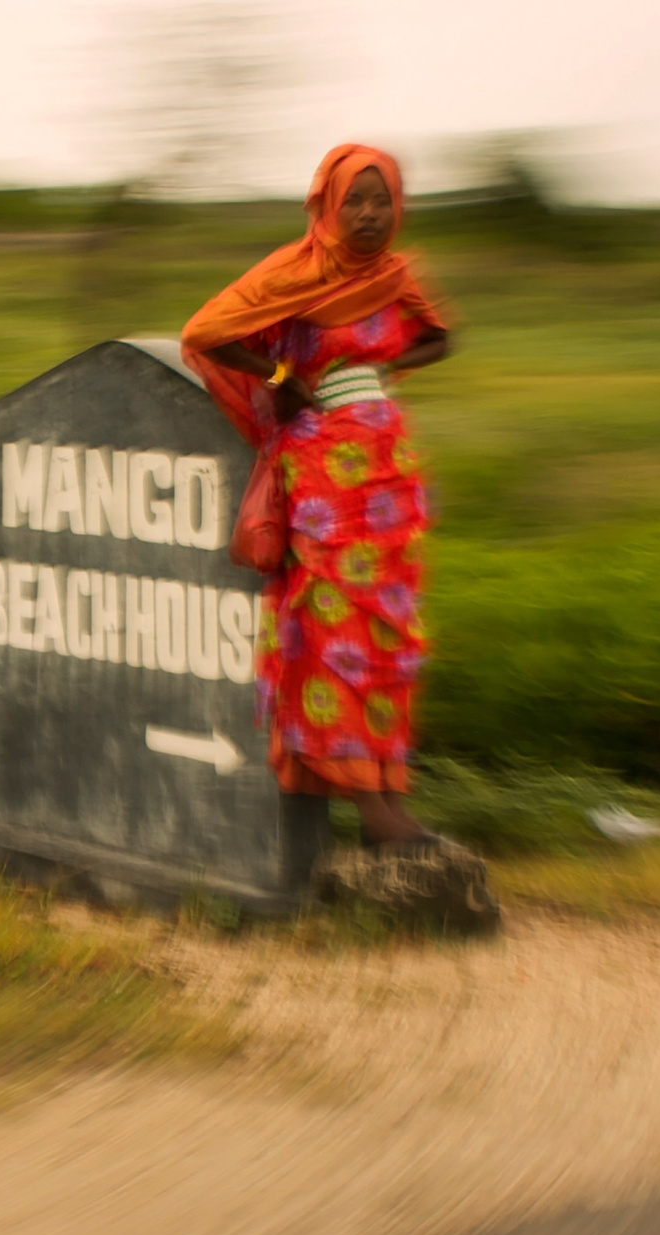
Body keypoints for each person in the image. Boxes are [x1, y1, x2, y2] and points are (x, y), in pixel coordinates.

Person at [183, 144, 450, 846]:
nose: (367, 215)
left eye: (380, 200)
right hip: (326, 474)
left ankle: (383, 787)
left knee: (389, 632)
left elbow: (438, 339)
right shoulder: (294, 271)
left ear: (399, 206)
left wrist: (385, 367)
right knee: (339, 635)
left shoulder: (394, 275)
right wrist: (278, 378)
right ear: (325, 206)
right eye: (353, 201)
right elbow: (206, 333)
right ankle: (366, 807)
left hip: (390, 470)